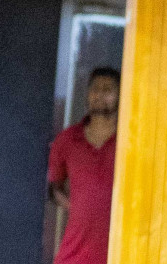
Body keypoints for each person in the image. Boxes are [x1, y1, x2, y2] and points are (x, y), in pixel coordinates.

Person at [48, 67, 119, 264]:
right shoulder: (67, 140)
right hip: (74, 254)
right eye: (95, 89)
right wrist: (80, 207)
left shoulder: (129, 139)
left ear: (119, 95)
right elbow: (55, 188)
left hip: (120, 252)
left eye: (108, 90)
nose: (99, 95)